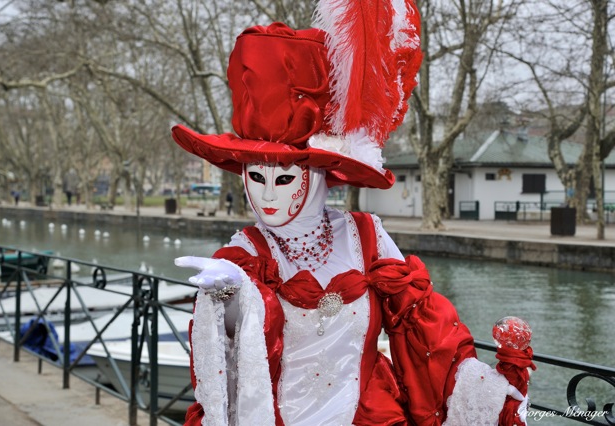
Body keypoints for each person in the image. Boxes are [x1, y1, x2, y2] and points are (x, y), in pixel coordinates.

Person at [172, 1, 535, 425]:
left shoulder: (366, 236)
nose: (267, 194)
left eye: (285, 178)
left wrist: (480, 387)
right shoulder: (245, 254)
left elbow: (422, 326)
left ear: (319, 177)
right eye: (256, 176)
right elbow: (235, 352)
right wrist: (232, 298)